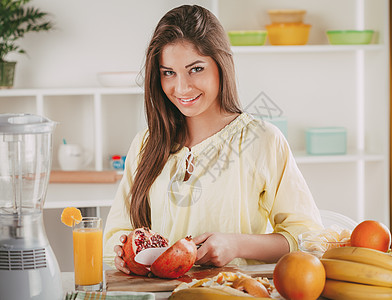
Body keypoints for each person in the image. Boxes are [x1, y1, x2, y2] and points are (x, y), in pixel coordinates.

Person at [103, 4, 323, 273]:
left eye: (196, 69)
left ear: (221, 65)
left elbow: (307, 238)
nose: (182, 87)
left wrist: (237, 245)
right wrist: (122, 253)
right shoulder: (146, 143)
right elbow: (117, 232)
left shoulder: (262, 140)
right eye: (168, 73)